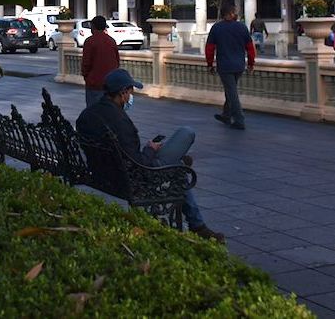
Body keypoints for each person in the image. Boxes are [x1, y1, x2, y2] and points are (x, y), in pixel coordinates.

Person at [76, 69, 225, 242]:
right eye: (130, 92)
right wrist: (150, 149)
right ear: (123, 93)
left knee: (178, 165)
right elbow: (139, 163)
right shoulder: (120, 122)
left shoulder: (87, 114)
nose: (131, 97)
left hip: (102, 175)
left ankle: (197, 220)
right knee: (186, 137)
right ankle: (197, 225)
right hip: (132, 179)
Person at [205, 3, 255, 130]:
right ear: (230, 13)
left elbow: (209, 48)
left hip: (225, 65)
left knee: (232, 92)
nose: (236, 14)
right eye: (234, 11)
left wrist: (210, 64)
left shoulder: (217, 28)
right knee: (231, 90)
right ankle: (226, 114)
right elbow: (250, 47)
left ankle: (239, 120)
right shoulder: (242, 27)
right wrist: (250, 63)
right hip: (239, 65)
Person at [81, 15, 120, 106]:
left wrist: (86, 77)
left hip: (94, 83)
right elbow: (117, 61)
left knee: (93, 110)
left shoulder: (90, 41)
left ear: (93, 26)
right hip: (110, 84)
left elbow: (86, 63)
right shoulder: (111, 41)